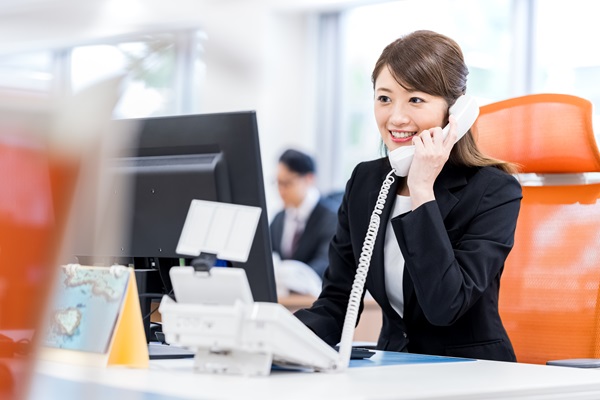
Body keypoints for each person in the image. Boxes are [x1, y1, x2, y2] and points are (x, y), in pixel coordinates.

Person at [294, 30, 522, 362]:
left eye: (415, 100)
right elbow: (336, 303)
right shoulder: (365, 182)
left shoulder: (494, 190)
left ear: (455, 112)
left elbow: (446, 305)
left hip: (470, 372)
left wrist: (421, 189)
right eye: (384, 98)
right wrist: (272, 337)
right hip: (393, 366)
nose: (396, 117)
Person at [270, 149, 338, 297]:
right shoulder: (278, 219)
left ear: (309, 179)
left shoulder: (333, 218)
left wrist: (292, 277)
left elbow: (327, 264)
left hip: (315, 299)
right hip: (283, 300)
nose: (281, 190)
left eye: (287, 183)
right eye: (278, 183)